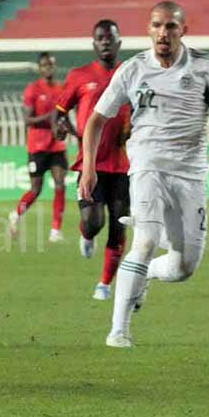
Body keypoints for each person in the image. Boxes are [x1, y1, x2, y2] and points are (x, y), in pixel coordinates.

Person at [80, 1, 209, 348]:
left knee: (184, 267)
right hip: (147, 165)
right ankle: (118, 330)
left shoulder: (205, 67)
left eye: (170, 26)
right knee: (145, 240)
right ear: (148, 29)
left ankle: (146, 275)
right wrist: (88, 167)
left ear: (183, 30)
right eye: (157, 25)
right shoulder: (133, 69)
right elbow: (96, 120)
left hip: (190, 173)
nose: (163, 33)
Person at [55, 20, 132, 301]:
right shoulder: (80, 76)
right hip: (90, 164)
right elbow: (60, 111)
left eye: (110, 37)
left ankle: (105, 284)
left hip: (123, 165)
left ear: (119, 42)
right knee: (93, 221)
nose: (105, 42)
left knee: (119, 225)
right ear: (94, 43)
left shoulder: (131, 74)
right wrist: (63, 128)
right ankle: (87, 235)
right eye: (100, 38)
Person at [10, 52, 68, 242]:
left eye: (51, 64)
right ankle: (16, 214)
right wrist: (49, 117)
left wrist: (70, 130)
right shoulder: (33, 89)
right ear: (40, 68)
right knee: (36, 189)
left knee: (60, 184)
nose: (48, 68)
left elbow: (63, 115)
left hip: (57, 145)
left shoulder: (61, 88)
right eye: (44, 65)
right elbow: (27, 120)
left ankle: (55, 230)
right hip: (37, 146)